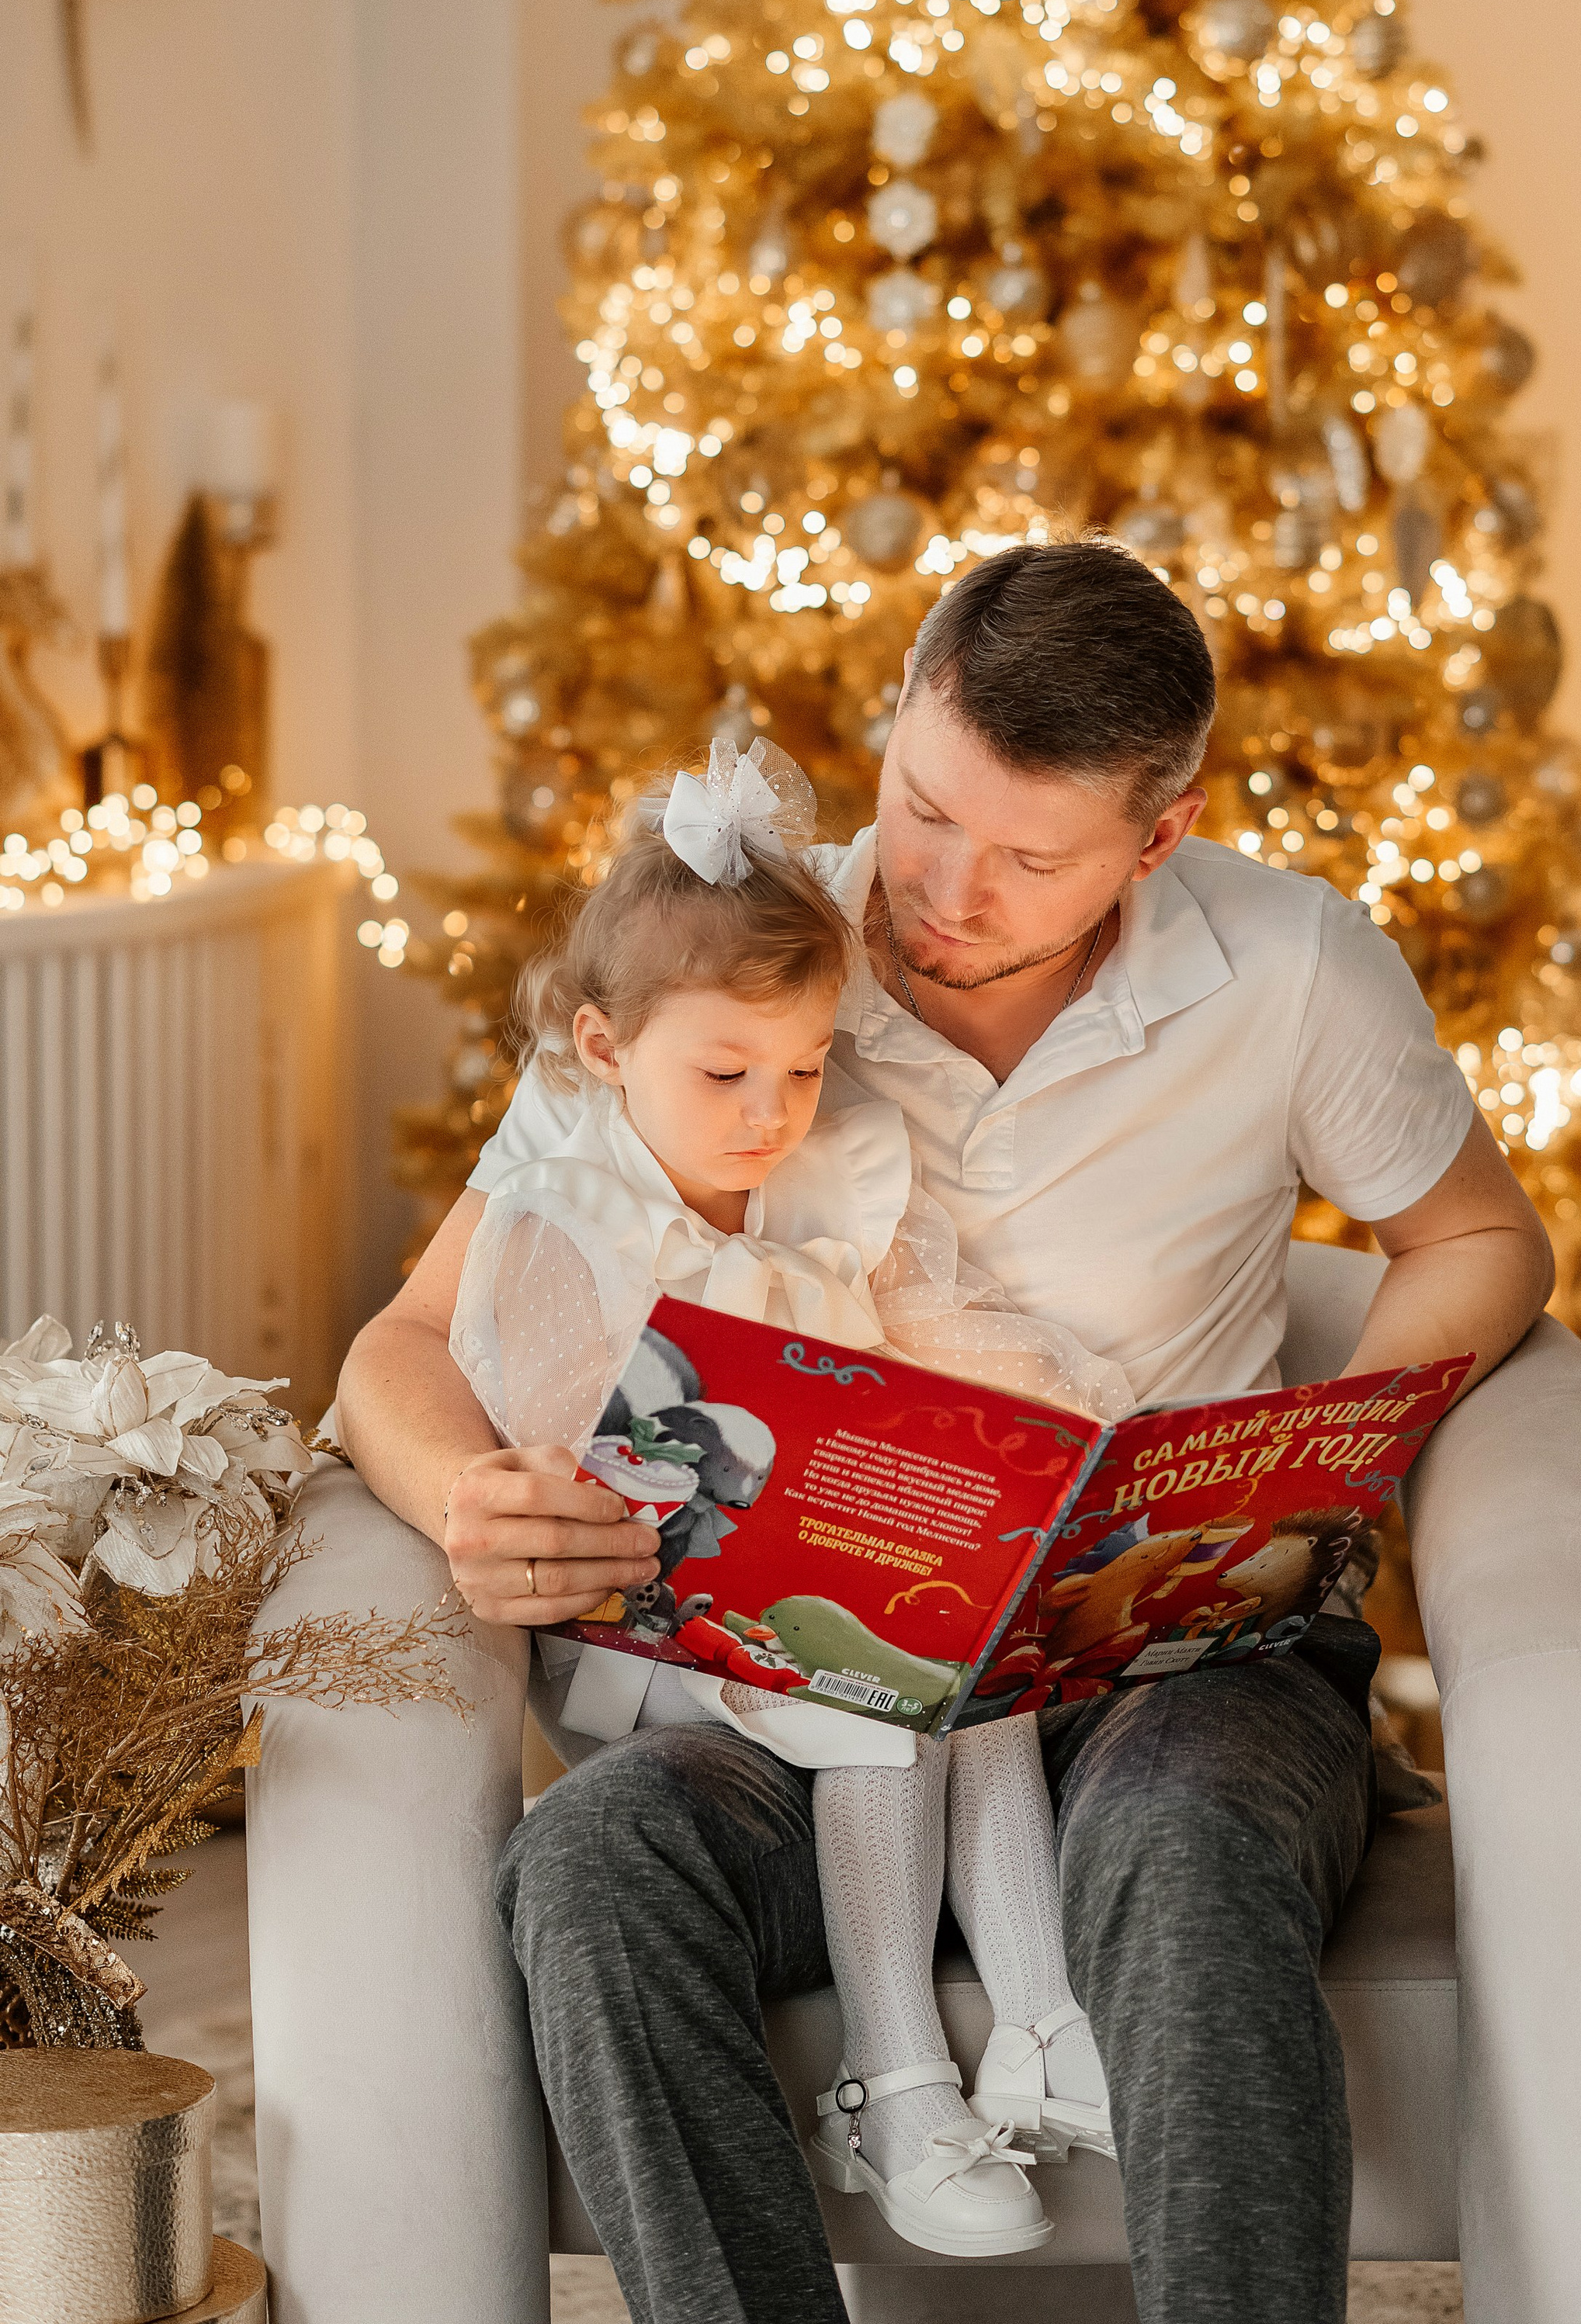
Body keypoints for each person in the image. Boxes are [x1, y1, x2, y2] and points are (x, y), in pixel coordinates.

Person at [338, 536, 1555, 2324]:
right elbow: (408, 1339)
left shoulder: (1290, 968)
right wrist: (469, 1493)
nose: (942, 892)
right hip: (815, 1692)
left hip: (1171, 1671)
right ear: (898, 717)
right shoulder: (724, 962)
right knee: (595, 1866)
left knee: (1188, 1844)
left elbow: (1480, 1237)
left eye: (1026, 855)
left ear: (1155, 837)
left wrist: (1310, 1446)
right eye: (921, 812)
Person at [444, 734, 1125, 2260]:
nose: (771, 1112)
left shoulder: (819, 1173)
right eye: (727, 1074)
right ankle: (896, 2081)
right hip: (651, 1637)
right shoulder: (568, 1220)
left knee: (984, 1650)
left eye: (806, 1068)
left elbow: (918, 1344)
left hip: (804, 1581)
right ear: (608, 1050)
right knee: (886, 1683)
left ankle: (1038, 2017)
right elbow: (586, 1464)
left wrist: (1027, 1452)